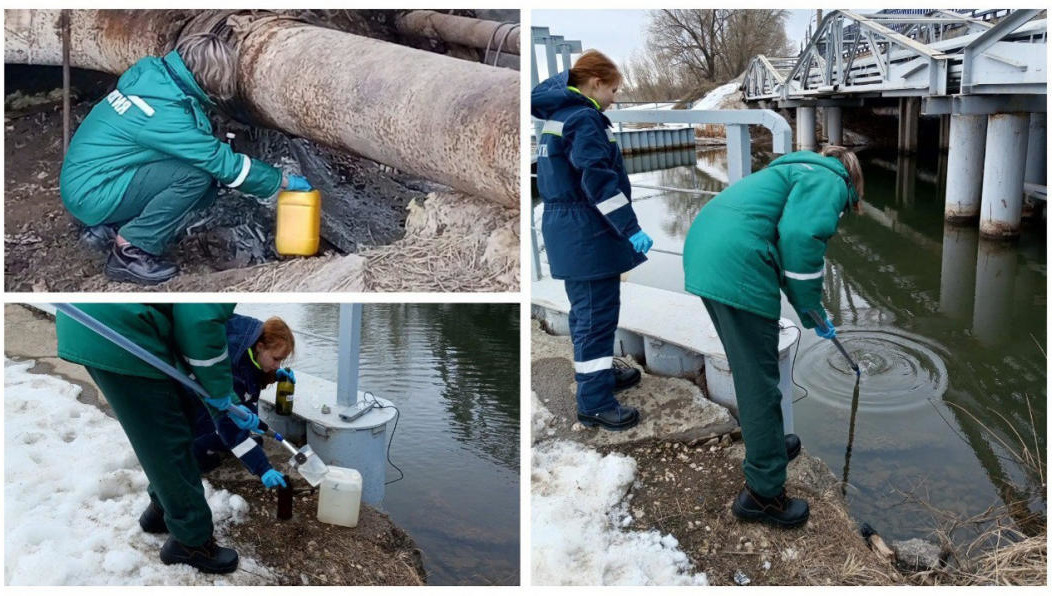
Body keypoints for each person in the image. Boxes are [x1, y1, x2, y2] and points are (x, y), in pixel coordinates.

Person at [682, 145, 864, 528]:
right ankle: (764, 496)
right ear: (853, 182)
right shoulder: (832, 180)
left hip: (710, 253)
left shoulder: (797, 171)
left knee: (754, 368)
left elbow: (781, 247)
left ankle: (771, 448)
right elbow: (799, 240)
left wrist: (812, 314)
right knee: (759, 382)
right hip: (736, 265)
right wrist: (813, 306)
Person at [59, 33, 312, 285]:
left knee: (195, 177)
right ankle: (130, 251)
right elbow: (221, 163)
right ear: (211, 77)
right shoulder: (165, 115)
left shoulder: (153, 78)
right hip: (93, 193)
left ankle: (109, 227)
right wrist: (281, 181)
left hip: (86, 180)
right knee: (195, 177)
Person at [56, 303, 270, 574]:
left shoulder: (240, 335)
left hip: (113, 325)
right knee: (168, 442)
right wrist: (224, 394)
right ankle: (190, 542)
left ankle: (162, 509)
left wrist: (232, 402)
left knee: (175, 425)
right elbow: (199, 324)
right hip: (120, 334)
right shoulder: (226, 324)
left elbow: (198, 344)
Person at [532, 50, 652, 431]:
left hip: (570, 228)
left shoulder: (559, 115)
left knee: (589, 312)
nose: (615, 97)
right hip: (587, 232)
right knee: (595, 318)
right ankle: (594, 401)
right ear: (595, 83)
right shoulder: (585, 118)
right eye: (613, 89)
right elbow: (599, 182)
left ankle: (598, 376)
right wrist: (631, 228)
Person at [188, 314, 296, 489]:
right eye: (276, 359)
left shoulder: (253, 337)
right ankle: (197, 451)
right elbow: (229, 423)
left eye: (281, 361)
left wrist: (273, 374)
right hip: (196, 407)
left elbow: (254, 371)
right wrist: (263, 468)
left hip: (213, 397)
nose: (278, 365)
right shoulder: (233, 364)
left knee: (246, 427)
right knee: (227, 434)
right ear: (260, 346)